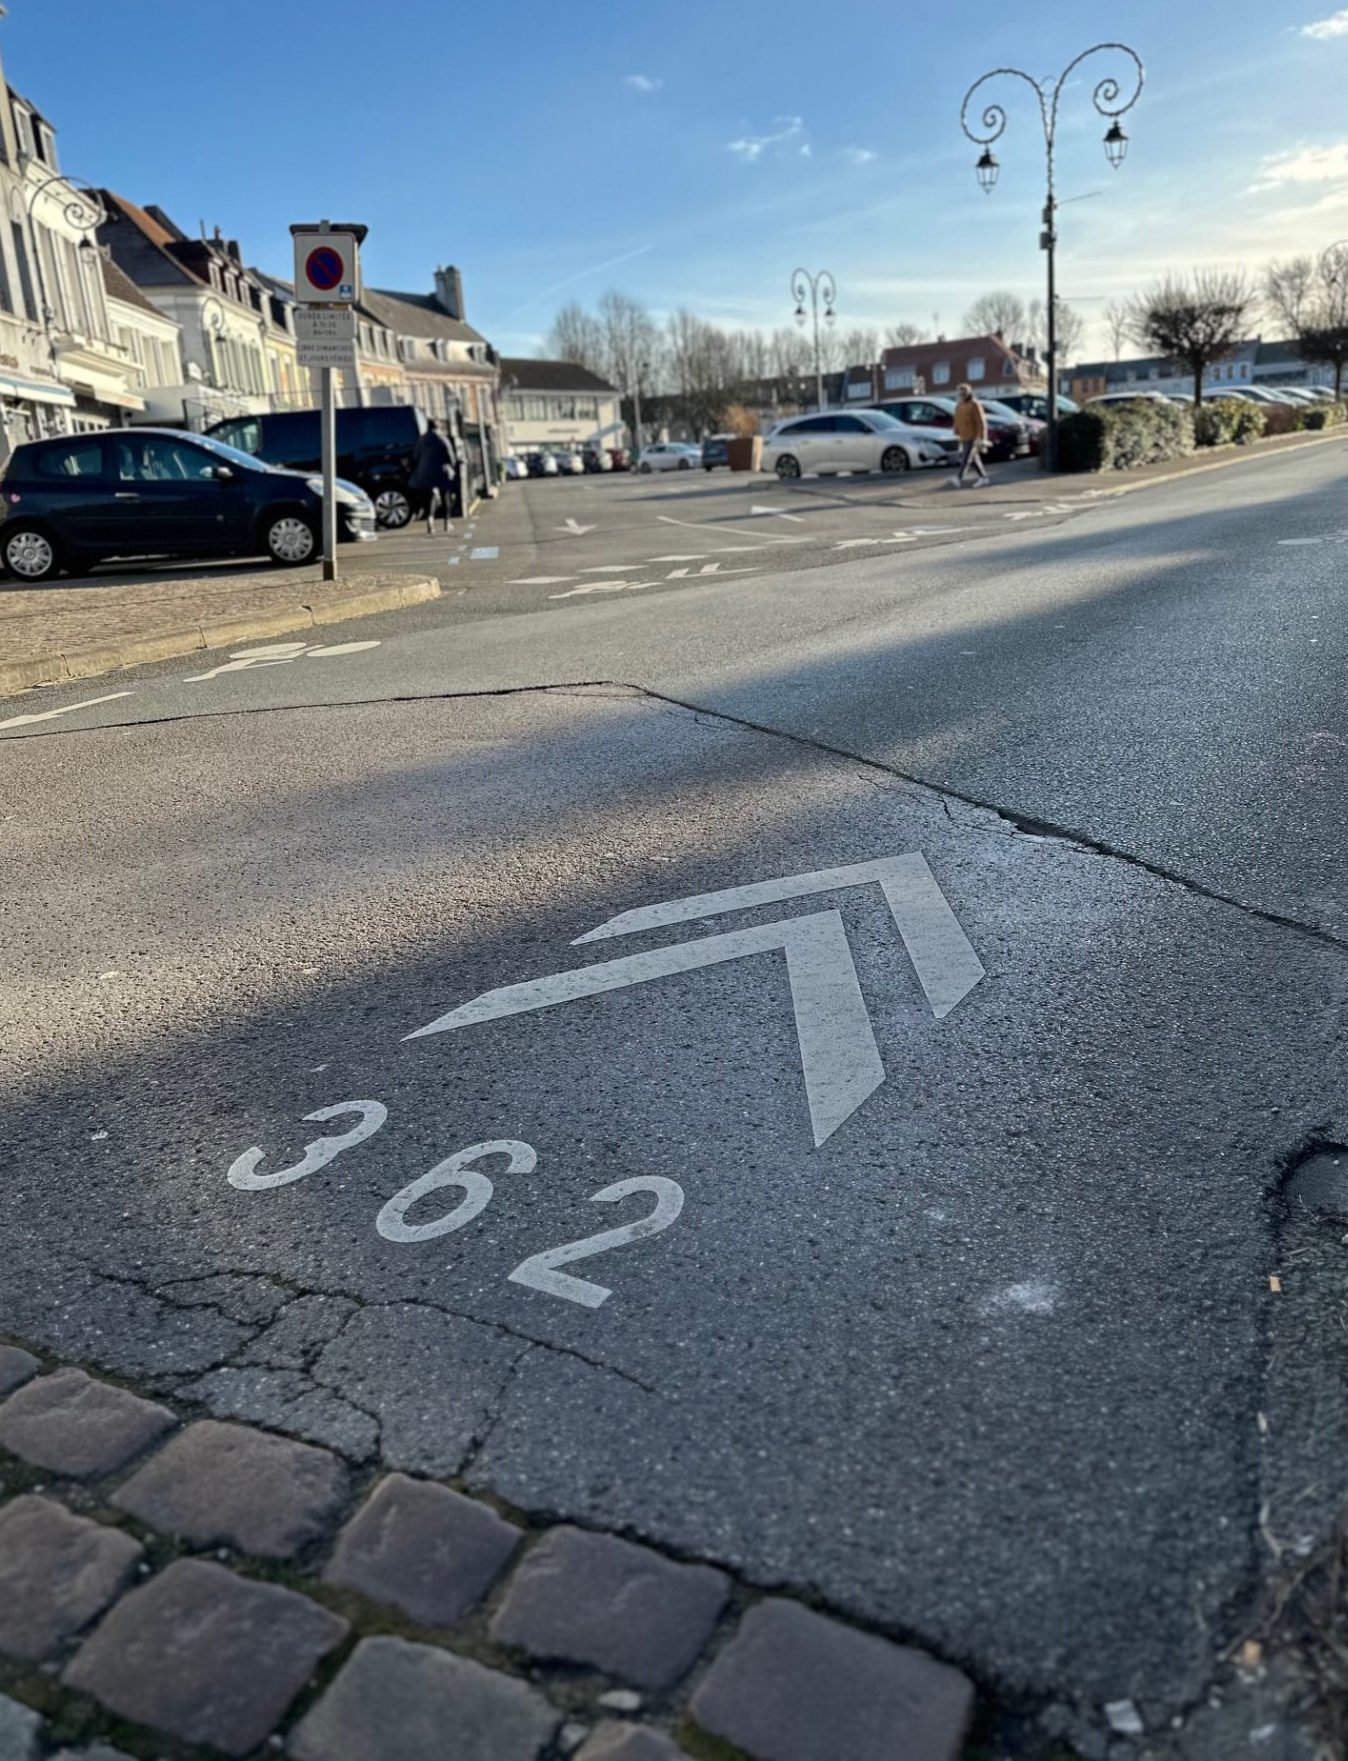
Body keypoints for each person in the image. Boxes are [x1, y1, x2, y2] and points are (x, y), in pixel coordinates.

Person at [408, 419, 458, 533]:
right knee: (446, 496)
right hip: (441, 471)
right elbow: (450, 456)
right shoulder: (442, 438)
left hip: (425, 472)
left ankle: (430, 522)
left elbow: (415, 456)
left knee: (429, 498)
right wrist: (452, 466)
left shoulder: (422, 439)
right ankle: (447, 523)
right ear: (438, 427)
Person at [952, 384, 990, 487]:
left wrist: (981, 436)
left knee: (966, 457)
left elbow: (980, 422)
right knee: (973, 458)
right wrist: (956, 432)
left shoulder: (974, 404)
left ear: (969, 392)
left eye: (964, 392)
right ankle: (983, 477)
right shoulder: (959, 405)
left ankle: (959, 477)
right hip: (964, 435)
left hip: (973, 435)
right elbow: (957, 420)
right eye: (960, 392)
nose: (962, 394)